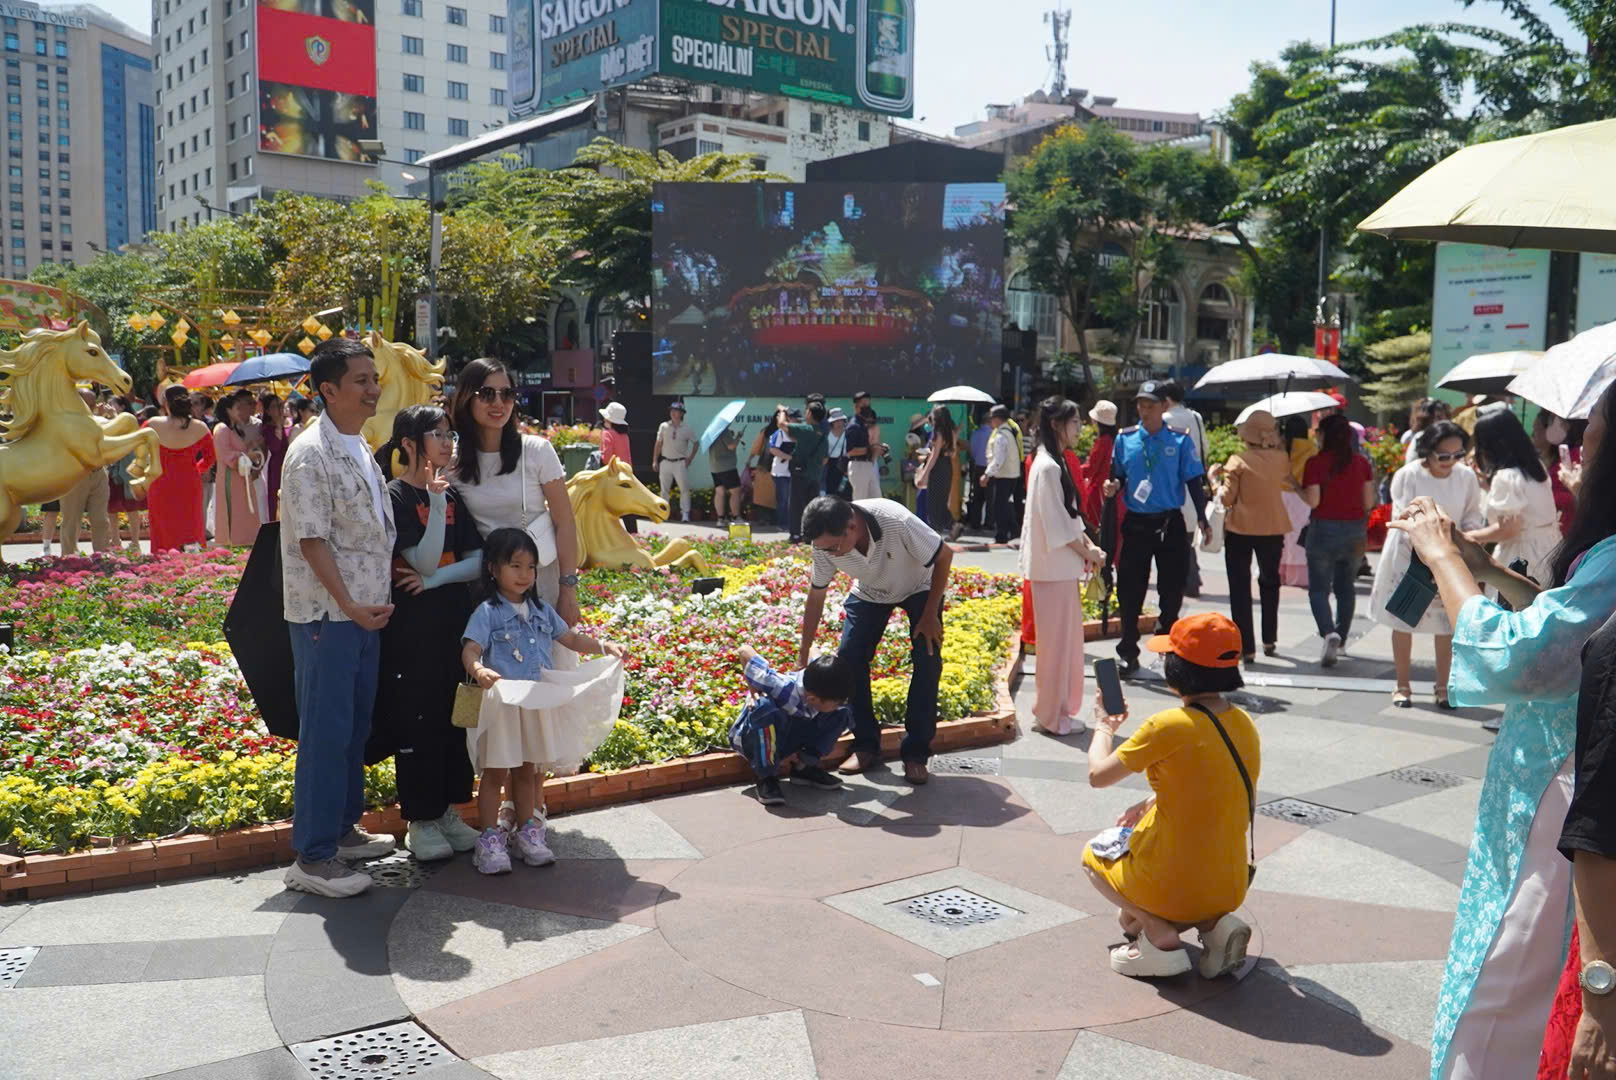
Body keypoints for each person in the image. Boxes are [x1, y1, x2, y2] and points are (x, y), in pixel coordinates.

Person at [1386, 379, 1616, 1080]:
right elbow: (1566, 626)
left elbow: (1522, 656)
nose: (1582, 439)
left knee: (1504, 979)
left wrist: (1445, 560)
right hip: (1553, 780)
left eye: (1596, 424)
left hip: (1562, 787)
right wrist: (1488, 571)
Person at [279, 338, 401, 898]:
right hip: (330, 614)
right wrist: (349, 605)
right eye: (360, 380)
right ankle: (314, 856)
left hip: (364, 614)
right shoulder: (311, 453)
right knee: (326, 733)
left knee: (353, 726)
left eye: (373, 378)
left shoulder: (357, 446)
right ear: (328, 390)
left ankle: (342, 830)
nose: (373, 388)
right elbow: (312, 541)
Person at [1081, 612, 1258, 980]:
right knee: (1126, 917)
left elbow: (1098, 775)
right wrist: (1148, 801)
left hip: (1174, 883)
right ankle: (1214, 924)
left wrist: (1104, 725)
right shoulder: (1243, 723)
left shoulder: (1168, 725)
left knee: (1092, 857)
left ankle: (1158, 933)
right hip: (1231, 884)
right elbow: (1208, 786)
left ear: (1178, 669)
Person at [461, 528, 626, 874]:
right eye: (515, 566)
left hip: (534, 704)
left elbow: (569, 637)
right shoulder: (487, 612)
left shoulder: (540, 609)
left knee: (526, 770)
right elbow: (470, 649)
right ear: (493, 569)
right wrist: (479, 670)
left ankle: (527, 833)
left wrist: (602, 647)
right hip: (503, 704)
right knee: (494, 772)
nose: (524, 575)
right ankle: (489, 839)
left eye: (530, 567)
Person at [367, 405, 484, 863]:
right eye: (438, 434)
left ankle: (448, 810)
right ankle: (420, 819)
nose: (448, 443)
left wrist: (436, 579)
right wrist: (435, 509)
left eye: (451, 434)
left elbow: (476, 561)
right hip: (412, 635)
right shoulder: (396, 496)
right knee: (417, 720)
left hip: (452, 627)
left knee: (452, 721)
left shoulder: (452, 496)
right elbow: (428, 557)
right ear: (409, 443)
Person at [799, 495, 951, 785]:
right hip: (871, 591)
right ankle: (866, 745)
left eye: (833, 547)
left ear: (852, 526)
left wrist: (930, 613)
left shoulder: (896, 520)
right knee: (849, 659)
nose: (829, 554)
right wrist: (803, 652)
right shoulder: (824, 544)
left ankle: (916, 753)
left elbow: (945, 555)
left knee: (928, 660)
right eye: (823, 549)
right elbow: (816, 594)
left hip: (921, 587)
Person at [1368, 421, 1485, 707]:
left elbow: (1472, 515)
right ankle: (1402, 685)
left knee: (1447, 625)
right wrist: (1425, 548)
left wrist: (1463, 540)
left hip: (1450, 555)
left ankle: (1443, 687)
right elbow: (1402, 515)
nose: (1451, 462)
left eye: (1457, 455)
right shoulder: (1409, 475)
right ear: (1428, 452)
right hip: (1409, 555)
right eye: (1443, 456)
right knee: (1404, 620)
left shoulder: (1466, 477)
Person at [1101, 382, 1210, 677]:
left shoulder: (1180, 440)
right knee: (1129, 589)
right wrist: (1113, 486)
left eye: (1150, 405)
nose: (1144, 410)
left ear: (1164, 407)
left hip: (1169, 523)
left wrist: (1202, 516)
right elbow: (1118, 476)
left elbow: (1193, 481)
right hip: (1137, 523)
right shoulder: (1126, 439)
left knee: (1171, 591)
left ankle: (1165, 646)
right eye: (1140, 405)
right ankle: (1128, 651)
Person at [1020, 398, 1107, 736]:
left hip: (1056, 569)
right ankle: (1053, 715)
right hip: (1053, 569)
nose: (1079, 430)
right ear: (1057, 424)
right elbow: (1059, 525)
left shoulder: (1049, 464)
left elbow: (1066, 521)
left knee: (1060, 646)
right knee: (1057, 648)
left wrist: (1088, 548)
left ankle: (1054, 712)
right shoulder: (1049, 467)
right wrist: (1090, 552)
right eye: (1075, 423)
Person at [727, 646, 854, 806]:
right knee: (764, 707)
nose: (839, 704)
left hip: (788, 730)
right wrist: (753, 691)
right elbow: (744, 650)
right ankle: (766, 777)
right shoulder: (779, 686)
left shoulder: (820, 678)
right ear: (813, 699)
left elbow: (813, 648)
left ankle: (803, 767)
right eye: (835, 702)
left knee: (842, 712)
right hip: (755, 739)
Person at [1215, 410, 1293, 663]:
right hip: (1273, 527)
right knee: (1270, 582)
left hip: (1240, 529)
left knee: (1239, 587)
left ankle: (1246, 646)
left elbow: (1226, 498)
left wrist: (1213, 481)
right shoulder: (1282, 459)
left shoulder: (1237, 461)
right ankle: (1269, 639)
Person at [1300, 414, 1375, 666]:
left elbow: (1313, 501)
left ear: (1324, 435)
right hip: (1355, 531)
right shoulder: (1361, 463)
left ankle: (1328, 631)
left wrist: (1294, 485)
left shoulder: (1315, 463)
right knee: (1346, 588)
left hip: (1323, 530)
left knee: (1319, 589)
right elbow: (1369, 502)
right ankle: (1341, 639)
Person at [1467, 405, 1561, 588]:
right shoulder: (1535, 467)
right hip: (1549, 548)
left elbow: (1509, 529)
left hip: (1522, 556)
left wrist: (1468, 537)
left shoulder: (1506, 477)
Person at [144, 386, 217, 553]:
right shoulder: (200, 427)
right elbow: (211, 457)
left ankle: (161, 565)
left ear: (165, 403)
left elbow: (138, 450)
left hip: (159, 482)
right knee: (190, 527)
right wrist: (197, 469)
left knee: (162, 528)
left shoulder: (152, 424)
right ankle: (193, 565)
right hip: (189, 483)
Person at [1160, 382, 1209, 599]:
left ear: (1166, 400)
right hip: (1194, 483)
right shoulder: (1196, 417)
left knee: (1176, 538)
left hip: (1172, 486)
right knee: (1185, 536)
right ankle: (1191, 578)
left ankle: (1189, 580)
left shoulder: (1164, 420)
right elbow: (1204, 448)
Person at [56, 389, 115, 556]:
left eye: (93, 404)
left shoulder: (100, 421)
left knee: (101, 520)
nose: (91, 407)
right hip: (75, 475)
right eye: (87, 404)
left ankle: (101, 555)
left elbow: (119, 436)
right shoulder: (63, 422)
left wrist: (112, 417)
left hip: (99, 473)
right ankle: (68, 556)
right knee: (71, 520)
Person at [212, 390, 265, 546]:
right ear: (228, 410)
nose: (240, 412)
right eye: (237, 408)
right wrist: (248, 456)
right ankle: (233, 541)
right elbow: (226, 455)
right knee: (235, 510)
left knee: (244, 509)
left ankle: (246, 540)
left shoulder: (233, 429)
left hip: (241, 477)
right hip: (230, 477)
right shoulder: (221, 429)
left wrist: (251, 448)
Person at [914, 403, 961, 541]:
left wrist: (924, 473)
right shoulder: (951, 432)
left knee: (933, 502)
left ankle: (936, 533)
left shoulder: (937, 433)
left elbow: (934, 456)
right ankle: (954, 526)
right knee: (941, 501)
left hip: (937, 468)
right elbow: (953, 453)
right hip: (947, 467)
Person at [786, 402, 830, 540]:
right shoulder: (823, 435)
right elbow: (825, 459)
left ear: (810, 413)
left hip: (800, 474)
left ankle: (795, 534)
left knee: (796, 504)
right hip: (815, 475)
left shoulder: (805, 429)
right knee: (812, 506)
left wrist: (782, 411)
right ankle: (810, 535)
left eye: (806, 411)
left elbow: (782, 425)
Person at [1530, 409, 1577, 535]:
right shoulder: (1536, 460)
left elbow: (1573, 496)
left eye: (1536, 429)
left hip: (1565, 530)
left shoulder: (1572, 458)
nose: (1532, 435)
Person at [982, 404, 1021, 544]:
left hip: (1004, 476)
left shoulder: (1000, 436)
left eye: (992, 418)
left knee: (1000, 506)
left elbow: (998, 459)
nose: (990, 421)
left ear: (998, 419)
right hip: (1012, 474)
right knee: (1006, 504)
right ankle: (1014, 531)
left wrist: (987, 474)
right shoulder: (1010, 431)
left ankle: (1001, 535)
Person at [653, 401, 697, 523]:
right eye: (671, 410)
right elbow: (658, 443)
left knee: (684, 488)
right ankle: (663, 513)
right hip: (665, 461)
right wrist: (655, 460)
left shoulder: (687, 428)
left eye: (676, 411)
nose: (672, 413)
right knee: (664, 489)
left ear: (681, 414)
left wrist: (690, 459)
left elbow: (696, 443)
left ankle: (685, 514)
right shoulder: (663, 426)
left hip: (680, 462)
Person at [1080, 400, 1120, 535]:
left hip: (1097, 491)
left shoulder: (1102, 442)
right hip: (1112, 489)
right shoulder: (1116, 440)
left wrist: (1073, 470)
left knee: (1092, 528)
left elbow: (1091, 468)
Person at [258, 391, 290, 521]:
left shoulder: (289, 424)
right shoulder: (267, 428)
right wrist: (278, 425)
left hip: (289, 462)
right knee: (276, 498)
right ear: (268, 411)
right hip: (277, 465)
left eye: (280, 405)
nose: (279, 409)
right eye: (275, 406)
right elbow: (276, 447)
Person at [768, 407, 797, 537]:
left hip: (795, 471)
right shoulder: (779, 433)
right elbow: (773, 450)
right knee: (783, 499)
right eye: (793, 418)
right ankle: (782, 524)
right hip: (780, 471)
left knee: (793, 500)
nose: (795, 421)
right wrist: (789, 457)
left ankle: (792, 524)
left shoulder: (799, 433)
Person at [708, 424, 744, 527]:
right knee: (735, 492)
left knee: (719, 492)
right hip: (727, 467)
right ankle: (736, 517)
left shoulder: (713, 430)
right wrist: (738, 437)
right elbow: (731, 446)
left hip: (715, 467)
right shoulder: (724, 431)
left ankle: (720, 519)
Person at [846, 401, 881, 500]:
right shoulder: (854, 427)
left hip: (870, 464)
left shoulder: (872, 429)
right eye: (868, 422)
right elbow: (849, 451)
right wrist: (870, 449)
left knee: (877, 500)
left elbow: (873, 448)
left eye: (872, 422)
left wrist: (878, 450)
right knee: (860, 501)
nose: (870, 424)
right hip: (858, 464)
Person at [1403, 397, 1451, 464]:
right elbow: (1411, 463)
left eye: (1441, 417)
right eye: (1437, 417)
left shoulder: (1450, 437)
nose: (1438, 421)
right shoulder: (1420, 436)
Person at [823, 407, 850, 498]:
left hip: (844, 464)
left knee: (845, 492)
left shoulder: (848, 433)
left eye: (841, 420)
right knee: (831, 492)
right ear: (831, 422)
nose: (839, 423)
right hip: (830, 465)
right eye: (836, 421)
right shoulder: (827, 434)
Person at [599, 401, 631, 467]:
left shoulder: (607, 434)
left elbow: (606, 459)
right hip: (624, 472)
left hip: (611, 474)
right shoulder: (625, 435)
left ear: (608, 420)